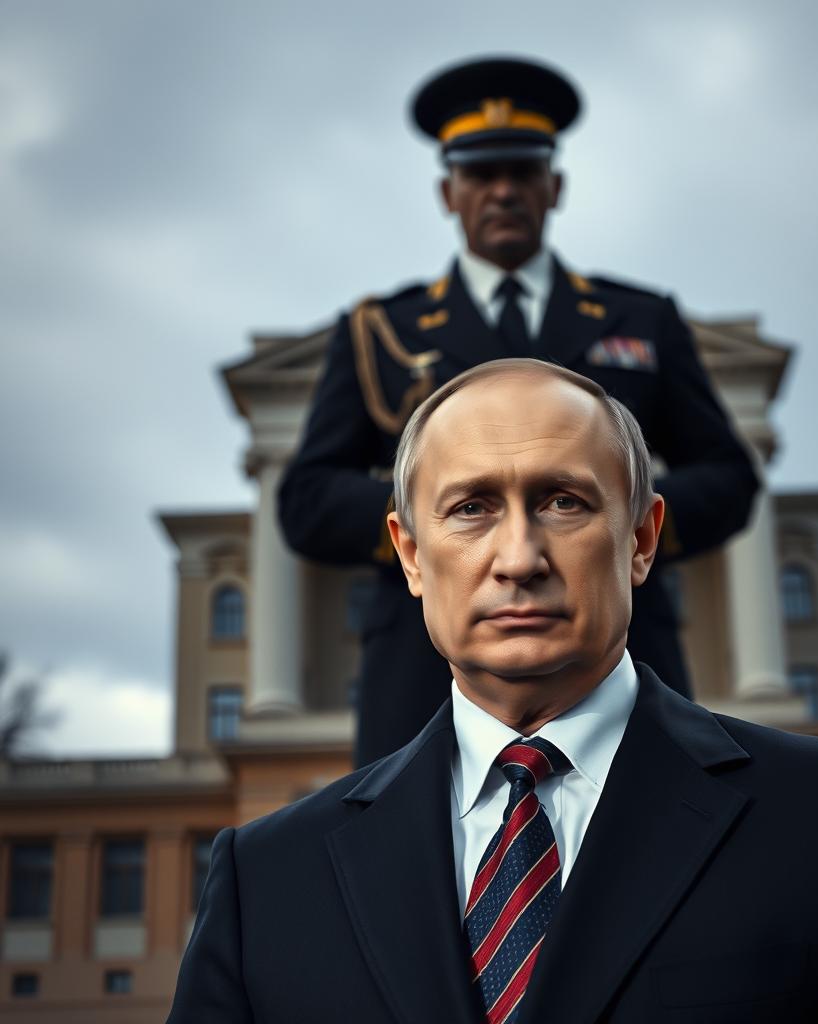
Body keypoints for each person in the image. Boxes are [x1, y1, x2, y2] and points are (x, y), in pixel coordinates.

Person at [169, 360, 818, 1023]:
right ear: (411, 555)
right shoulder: (266, 878)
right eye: (470, 509)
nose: (519, 557)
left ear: (642, 539)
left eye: (563, 502)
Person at [277, 56, 760, 767]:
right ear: (448, 192)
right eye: (480, 175)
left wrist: (611, 525)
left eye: (523, 173)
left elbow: (728, 476)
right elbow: (307, 499)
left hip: (623, 654)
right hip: (426, 677)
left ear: (554, 187)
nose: (503, 192)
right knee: (423, 874)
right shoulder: (381, 331)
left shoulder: (642, 320)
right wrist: (446, 520)